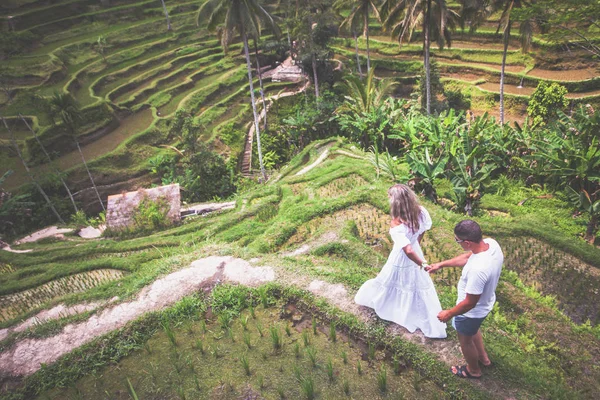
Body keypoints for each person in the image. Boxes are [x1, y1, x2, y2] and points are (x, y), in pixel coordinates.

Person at [354, 184, 447, 339]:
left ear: (396, 202)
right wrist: (416, 246)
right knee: (415, 283)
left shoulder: (396, 223)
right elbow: (421, 233)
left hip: (403, 255)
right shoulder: (421, 211)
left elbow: (407, 250)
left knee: (392, 278)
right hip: (415, 251)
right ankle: (412, 310)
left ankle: (394, 307)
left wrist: (422, 264)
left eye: (390, 197)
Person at [426, 220, 504, 379]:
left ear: (467, 242)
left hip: (470, 313)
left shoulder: (478, 270)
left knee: (465, 341)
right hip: (483, 307)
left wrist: (449, 314)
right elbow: (468, 257)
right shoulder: (491, 244)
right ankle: (484, 359)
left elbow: (470, 303)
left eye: (458, 241)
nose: (457, 243)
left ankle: (473, 370)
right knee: (472, 331)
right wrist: (440, 265)